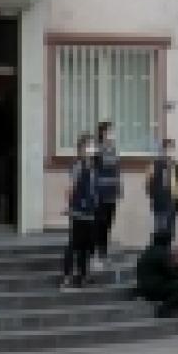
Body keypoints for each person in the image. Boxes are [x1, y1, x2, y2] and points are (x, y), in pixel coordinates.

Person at [61, 133, 99, 291]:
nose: (91, 149)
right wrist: (69, 206)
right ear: (81, 148)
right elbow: (71, 187)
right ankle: (67, 276)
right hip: (78, 211)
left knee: (86, 245)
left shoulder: (93, 167)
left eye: (92, 146)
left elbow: (94, 189)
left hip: (90, 211)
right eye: (88, 146)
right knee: (74, 244)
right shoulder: (77, 166)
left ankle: (83, 275)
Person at [93, 121, 123, 270]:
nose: (112, 134)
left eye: (113, 131)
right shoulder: (97, 150)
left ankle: (104, 253)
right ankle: (97, 254)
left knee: (108, 223)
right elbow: (94, 171)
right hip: (100, 193)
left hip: (111, 192)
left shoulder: (114, 150)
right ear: (103, 133)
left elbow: (117, 171)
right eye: (109, 131)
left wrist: (119, 188)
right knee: (100, 223)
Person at [145, 138, 178, 241]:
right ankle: (159, 248)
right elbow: (149, 183)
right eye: (169, 148)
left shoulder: (175, 165)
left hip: (172, 203)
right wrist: (153, 197)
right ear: (163, 149)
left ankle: (167, 248)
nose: (171, 151)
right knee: (160, 231)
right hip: (160, 202)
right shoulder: (156, 164)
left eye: (172, 148)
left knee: (170, 232)